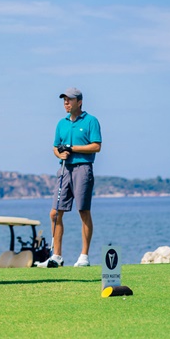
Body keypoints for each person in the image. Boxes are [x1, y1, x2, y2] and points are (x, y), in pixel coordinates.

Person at [38, 87, 102, 268]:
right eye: (64, 100)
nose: (66, 103)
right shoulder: (61, 123)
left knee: (83, 211)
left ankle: (84, 256)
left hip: (83, 168)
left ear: (79, 102)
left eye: (70, 100)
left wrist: (72, 149)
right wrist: (60, 154)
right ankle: (56, 256)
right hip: (64, 169)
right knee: (55, 213)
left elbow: (96, 146)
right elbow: (55, 147)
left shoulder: (91, 121)